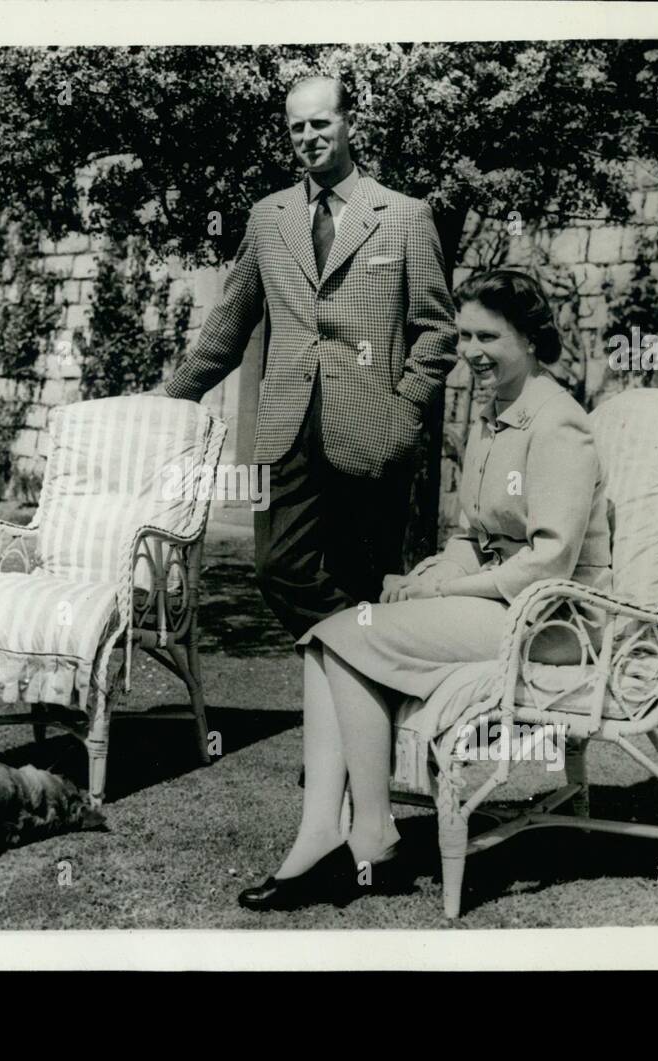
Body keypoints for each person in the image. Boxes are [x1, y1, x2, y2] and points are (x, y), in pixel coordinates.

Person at [237, 269, 613, 911]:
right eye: (463, 336)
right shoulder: (496, 416)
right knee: (326, 638)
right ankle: (328, 829)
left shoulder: (557, 425)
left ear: (528, 337)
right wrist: (428, 578)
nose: (471, 352)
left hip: (553, 622)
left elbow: (548, 564)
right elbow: (473, 533)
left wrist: (453, 591)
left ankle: (371, 830)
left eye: (488, 336)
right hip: (501, 602)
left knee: (342, 633)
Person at [164, 75, 457, 639]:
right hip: (285, 430)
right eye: (297, 127)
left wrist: (405, 409)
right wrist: (173, 398)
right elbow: (228, 324)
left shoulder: (404, 216)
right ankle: (372, 658)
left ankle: (357, 713)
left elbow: (436, 331)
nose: (308, 136)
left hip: (373, 428)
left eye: (320, 123)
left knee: (364, 577)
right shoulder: (269, 218)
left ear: (350, 124)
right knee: (279, 570)